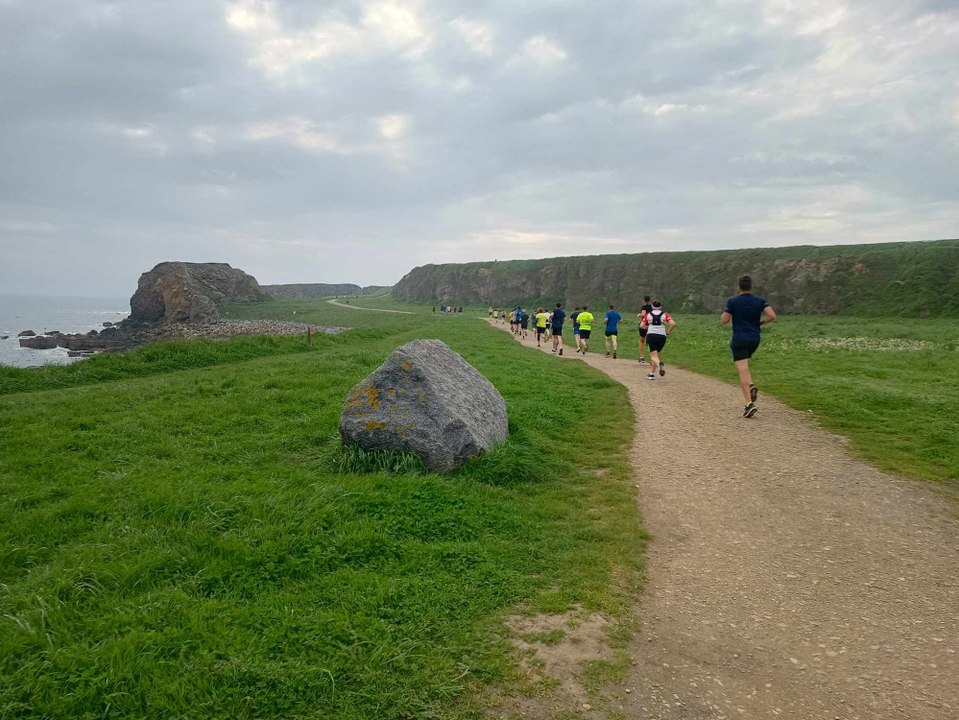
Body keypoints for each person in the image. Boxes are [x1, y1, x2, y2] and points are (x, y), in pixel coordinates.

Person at [721, 275, 776, 418]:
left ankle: (749, 404)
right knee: (745, 367)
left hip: (739, 338)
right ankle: (750, 385)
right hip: (754, 339)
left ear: (738, 287)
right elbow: (772, 315)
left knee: (742, 369)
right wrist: (760, 323)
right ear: (751, 286)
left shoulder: (733, 301)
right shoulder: (760, 301)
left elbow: (724, 320)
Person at [640, 300, 676, 380]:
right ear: (661, 307)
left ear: (652, 307)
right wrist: (667, 333)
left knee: (653, 356)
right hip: (662, 336)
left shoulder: (649, 314)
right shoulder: (665, 314)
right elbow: (673, 324)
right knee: (656, 355)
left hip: (651, 335)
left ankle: (660, 365)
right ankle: (651, 374)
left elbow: (641, 325)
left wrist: (648, 327)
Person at [637, 295, 653, 363]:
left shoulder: (643, 307)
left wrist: (639, 314)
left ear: (644, 300)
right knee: (650, 342)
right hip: (651, 326)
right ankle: (652, 358)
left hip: (643, 325)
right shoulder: (652, 307)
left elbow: (643, 314)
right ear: (649, 300)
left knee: (641, 341)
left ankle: (642, 357)